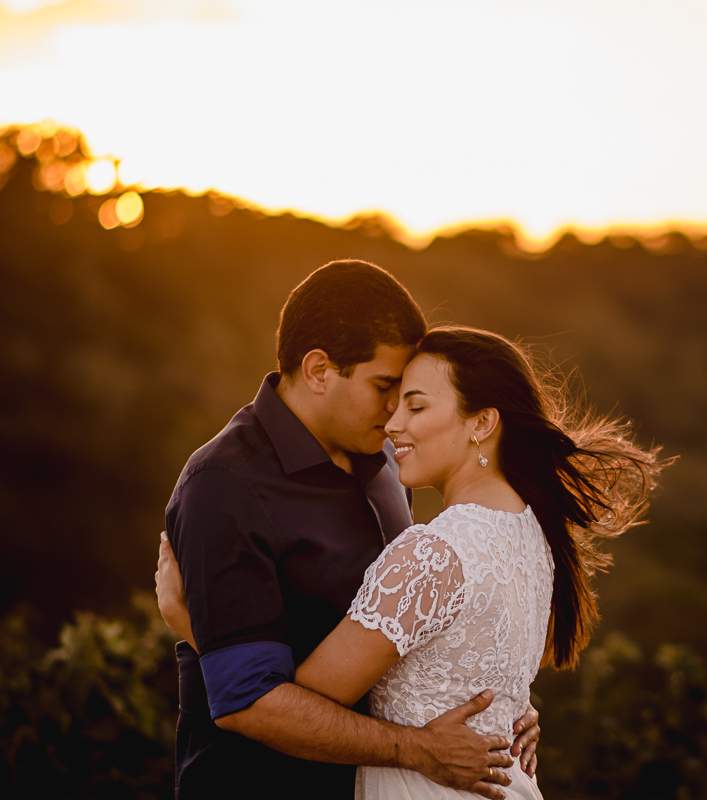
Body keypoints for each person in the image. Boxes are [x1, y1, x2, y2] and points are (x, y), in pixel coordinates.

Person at [159, 324, 667, 799]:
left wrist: (201, 630)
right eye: (394, 400)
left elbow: (304, 699)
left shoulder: (432, 552)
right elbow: (466, 657)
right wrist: (510, 707)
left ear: (483, 422)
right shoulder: (532, 530)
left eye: (415, 407)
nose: (393, 423)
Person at [157, 261, 539, 800]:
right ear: (318, 371)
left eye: (407, 393)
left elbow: (411, 627)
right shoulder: (224, 487)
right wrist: (416, 747)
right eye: (385, 386)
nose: (395, 412)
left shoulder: (387, 460)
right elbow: (245, 699)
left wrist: (500, 698)